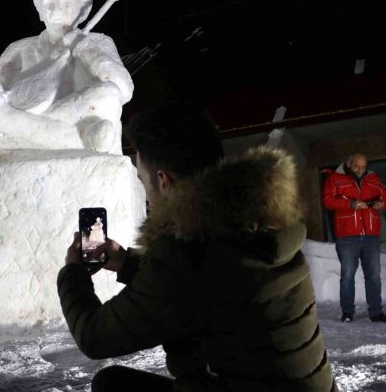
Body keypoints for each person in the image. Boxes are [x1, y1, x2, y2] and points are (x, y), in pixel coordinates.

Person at [57, 100, 337, 391]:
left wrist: (73, 272)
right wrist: (126, 263)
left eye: (143, 181)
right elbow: (206, 284)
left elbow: (95, 337)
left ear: (164, 181)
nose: (147, 195)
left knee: (111, 384)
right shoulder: (258, 221)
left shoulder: (187, 250)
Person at [0, 0, 133, 163]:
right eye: (50, 4)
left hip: (71, 114)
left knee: (109, 95)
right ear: (40, 13)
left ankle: (11, 143)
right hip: (21, 111)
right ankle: (76, 142)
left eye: (66, 3)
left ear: (81, 11)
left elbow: (122, 89)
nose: (57, 10)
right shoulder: (19, 48)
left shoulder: (98, 42)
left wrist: (85, 47)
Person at [323, 152, 386, 323]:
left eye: (364, 167)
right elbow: (328, 201)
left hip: (371, 236)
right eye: (357, 166)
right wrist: (351, 204)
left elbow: (384, 197)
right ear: (348, 164)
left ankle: (375, 312)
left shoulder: (374, 179)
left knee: (373, 275)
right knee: (348, 275)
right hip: (347, 236)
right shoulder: (335, 179)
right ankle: (348, 313)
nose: (360, 170)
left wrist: (381, 204)